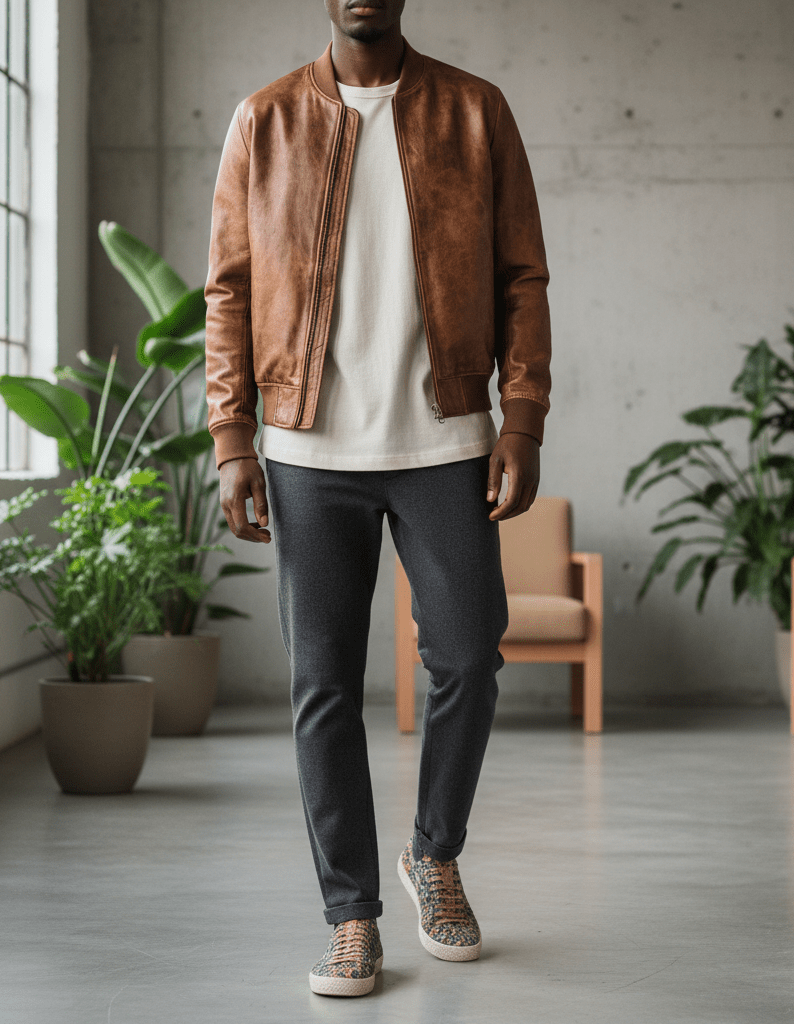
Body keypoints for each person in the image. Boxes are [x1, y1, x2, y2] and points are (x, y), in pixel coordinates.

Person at [204, 0, 551, 998]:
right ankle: (351, 913)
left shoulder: (475, 114)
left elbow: (521, 273)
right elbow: (228, 287)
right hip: (309, 446)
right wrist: (234, 439)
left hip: (443, 435)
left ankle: (432, 855)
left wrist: (519, 417)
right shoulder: (263, 119)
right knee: (323, 684)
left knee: (468, 652)